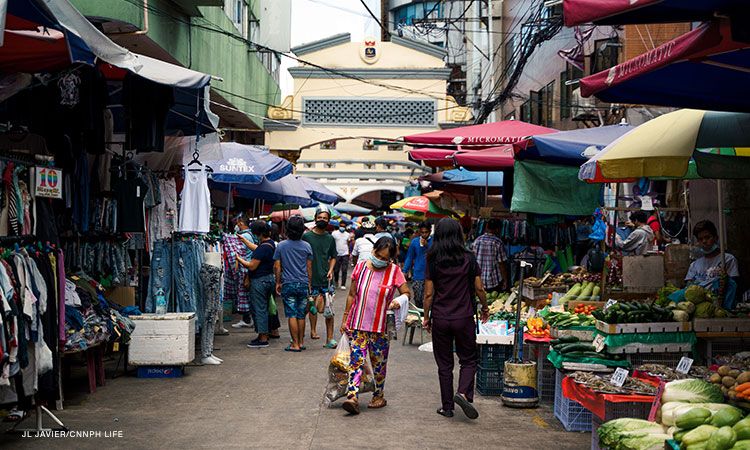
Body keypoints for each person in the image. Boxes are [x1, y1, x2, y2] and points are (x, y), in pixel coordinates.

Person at [423, 218, 489, 420]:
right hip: (464, 317)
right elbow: (479, 288)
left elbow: (428, 294)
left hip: (441, 318)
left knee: (444, 365)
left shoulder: (432, 259)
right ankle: (462, 393)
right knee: (469, 360)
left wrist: (426, 317)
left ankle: (447, 407)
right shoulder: (469, 258)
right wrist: (485, 307)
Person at [339, 237, 410, 415]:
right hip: (358, 324)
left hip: (381, 328)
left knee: (379, 365)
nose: (381, 260)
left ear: (391, 259)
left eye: (386, 258)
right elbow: (351, 294)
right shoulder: (361, 267)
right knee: (356, 361)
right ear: (373, 251)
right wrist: (345, 318)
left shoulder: (395, 271)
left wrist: (398, 301)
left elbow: (406, 292)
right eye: (379, 255)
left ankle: (378, 396)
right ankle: (352, 396)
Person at [274, 216, 313, 352]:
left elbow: (277, 267)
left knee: (292, 314)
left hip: (288, 283)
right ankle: (301, 342)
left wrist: (278, 282)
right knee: (301, 314)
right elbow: (309, 268)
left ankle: (294, 344)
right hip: (303, 283)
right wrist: (309, 284)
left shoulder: (281, 245)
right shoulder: (307, 246)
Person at [237, 221, 277, 348]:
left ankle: (263, 338)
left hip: (260, 281)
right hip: (268, 279)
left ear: (256, 233)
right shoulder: (269, 244)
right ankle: (263, 334)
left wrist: (239, 259)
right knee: (264, 308)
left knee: (259, 309)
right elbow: (256, 248)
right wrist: (244, 240)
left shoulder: (264, 247)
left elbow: (252, 266)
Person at [303, 208, 338, 348]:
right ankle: (307, 333)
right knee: (308, 308)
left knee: (329, 310)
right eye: (320, 217)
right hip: (310, 279)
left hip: (326, 279)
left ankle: (329, 339)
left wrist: (330, 270)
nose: (322, 220)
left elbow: (334, 257)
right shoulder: (306, 237)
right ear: (315, 218)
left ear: (328, 220)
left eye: (325, 218)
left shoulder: (330, 238)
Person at [686, 220, 740, 293]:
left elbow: (733, 286)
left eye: (707, 237)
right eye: (700, 239)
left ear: (716, 238)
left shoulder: (728, 259)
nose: (704, 241)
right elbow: (688, 287)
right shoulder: (694, 265)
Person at [472, 219, 509, 292]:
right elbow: (501, 264)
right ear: (497, 229)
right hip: (493, 281)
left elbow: (473, 261)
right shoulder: (498, 243)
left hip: (478, 280)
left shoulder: (477, 241)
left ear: (486, 227)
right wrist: (505, 280)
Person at [232, 215, 255, 329]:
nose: (236, 226)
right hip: (248, 267)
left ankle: (247, 319)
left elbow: (239, 254)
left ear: (241, 223)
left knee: (244, 295)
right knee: (246, 294)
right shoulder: (250, 235)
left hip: (245, 268)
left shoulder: (244, 236)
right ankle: (248, 319)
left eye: (237, 223)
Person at [403, 222, 431, 308]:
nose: (424, 234)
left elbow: (437, 254)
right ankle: (421, 316)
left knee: (429, 298)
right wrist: (405, 270)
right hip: (418, 274)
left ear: (430, 231)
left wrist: (427, 246)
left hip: (431, 274)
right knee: (418, 298)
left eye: (426, 232)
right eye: (422, 232)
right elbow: (410, 257)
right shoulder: (415, 242)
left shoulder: (435, 241)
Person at [331, 223, 351, 290]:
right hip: (337, 254)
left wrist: (349, 252)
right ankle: (336, 281)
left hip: (345, 253)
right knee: (336, 270)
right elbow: (332, 243)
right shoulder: (334, 233)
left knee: (344, 269)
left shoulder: (347, 234)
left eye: (344, 226)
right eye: (341, 226)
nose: (342, 227)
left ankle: (343, 284)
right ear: (339, 226)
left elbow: (348, 243)